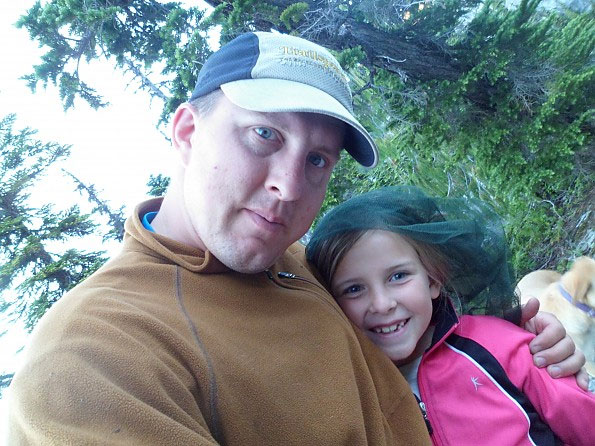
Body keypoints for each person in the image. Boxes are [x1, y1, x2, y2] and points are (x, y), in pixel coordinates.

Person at [7, 32, 586, 445]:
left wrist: (524, 335)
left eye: (317, 158)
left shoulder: (304, 264)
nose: (287, 185)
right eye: (263, 134)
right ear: (186, 131)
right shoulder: (90, 355)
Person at [306, 185, 594, 445]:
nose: (382, 304)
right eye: (354, 289)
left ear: (433, 279)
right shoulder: (355, 395)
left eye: (398, 276)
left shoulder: (500, 346)